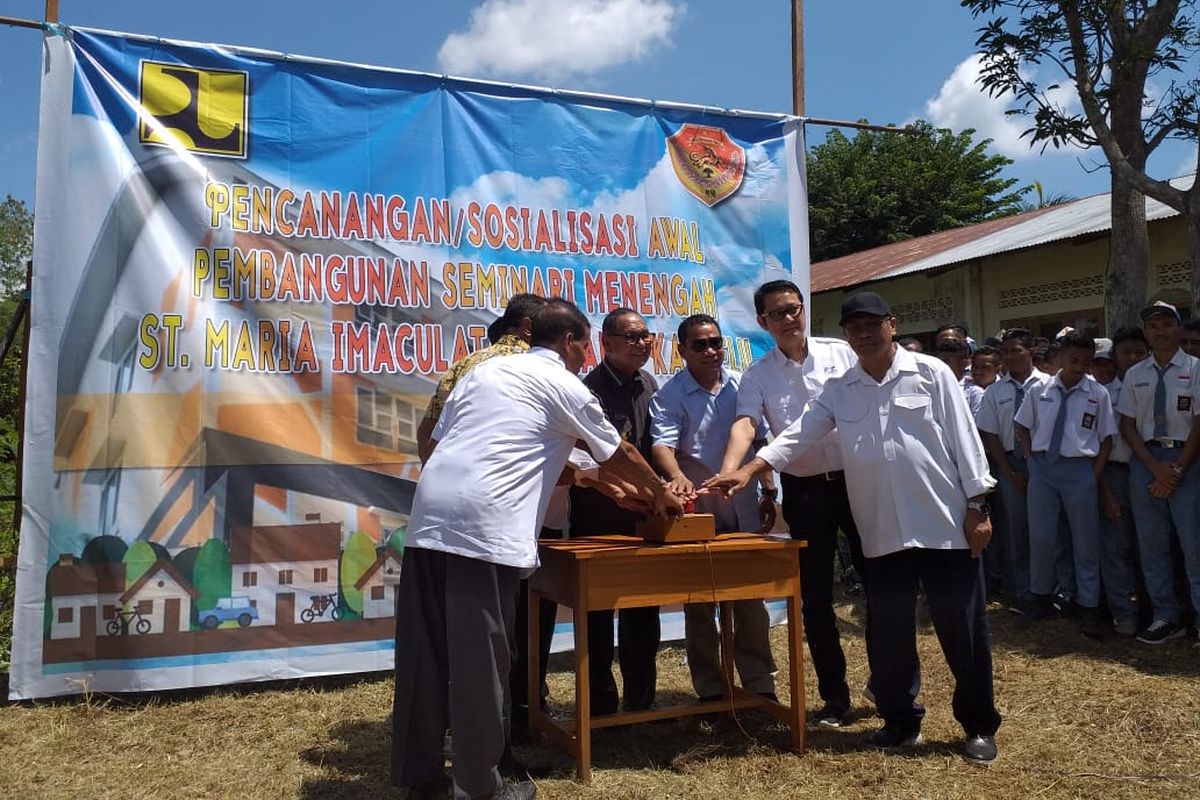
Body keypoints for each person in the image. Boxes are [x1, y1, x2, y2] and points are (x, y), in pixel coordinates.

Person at [391, 300, 683, 800]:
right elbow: (618, 451)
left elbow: (484, 443)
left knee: (425, 654)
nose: (584, 356)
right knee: (480, 660)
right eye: (585, 344)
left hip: (428, 520)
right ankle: (480, 787)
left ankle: (422, 776)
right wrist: (658, 492)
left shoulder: (485, 374)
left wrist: (609, 487)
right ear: (571, 342)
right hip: (484, 529)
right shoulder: (565, 382)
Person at [707, 291, 1001, 766]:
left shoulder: (932, 374)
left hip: (943, 523)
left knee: (962, 628)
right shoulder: (841, 388)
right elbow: (800, 432)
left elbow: (964, 439)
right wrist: (749, 469)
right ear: (847, 334)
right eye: (854, 328)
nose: (863, 335)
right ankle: (900, 721)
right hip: (880, 528)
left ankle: (978, 725)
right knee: (888, 631)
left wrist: (977, 505)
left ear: (892, 324)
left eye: (872, 325)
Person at [717, 279, 864, 728]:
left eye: (794, 309)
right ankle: (835, 698)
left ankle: (893, 685)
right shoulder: (757, 375)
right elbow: (746, 424)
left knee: (882, 586)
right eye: (777, 313)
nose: (788, 319)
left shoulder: (843, 353)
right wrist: (731, 469)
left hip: (861, 482)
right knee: (816, 600)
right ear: (763, 322)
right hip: (804, 492)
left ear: (805, 310)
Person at [650, 314, 777, 705]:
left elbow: (763, 439)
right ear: (682, 350)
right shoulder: (668, 394)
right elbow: (662, 445)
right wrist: (674, 477)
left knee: (750, 602)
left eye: (716, 342)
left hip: (745, 511)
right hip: (699, 512)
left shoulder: (744, 382)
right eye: (700, 345)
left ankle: (759, 685)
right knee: (700, 605)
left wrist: (769, 488)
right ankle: (711, 688)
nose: (711, 351)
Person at [568, 307, 664, 714]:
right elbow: (592, 458)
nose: (642, 344)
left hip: (645, 518)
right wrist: (628, 489)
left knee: (644, 610)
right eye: (631, 337)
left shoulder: (650, 384)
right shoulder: (587, 390)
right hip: (599, 516)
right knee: (597, 616)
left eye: (646, 336)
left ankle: (641, 701)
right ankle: (599, 704)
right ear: (605, 344)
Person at [1014, 332, 1115, 637]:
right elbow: (1022, 425)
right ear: (1059, 357)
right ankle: (1041, 597)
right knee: (1042, 537)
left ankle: (1088, 606)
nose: (1079, 367)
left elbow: (1106, 439)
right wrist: (1031, 457)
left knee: (1085, 540)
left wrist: (1093, 474)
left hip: (1079, 470)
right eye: (1073, 360)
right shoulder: (1040, 388)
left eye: (1086, 362)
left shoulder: (1097, 393)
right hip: (1044, 469)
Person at [1117, 301, 1200, 645]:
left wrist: (1177, 468)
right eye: (1154, 326)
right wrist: (1154, 467)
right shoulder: (1136, 374)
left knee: (1193, 542)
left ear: (1178, 329)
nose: (1161, 331)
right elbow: (1127, 424)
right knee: (1152, 544)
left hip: (1188, 459)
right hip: (1146, 461)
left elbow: (1199, 423)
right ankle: (1167, 616)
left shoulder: (1196, 369)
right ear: (1147, 333)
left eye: (1167, 324)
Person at [416, 293, 547, 464]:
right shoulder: (540, 368)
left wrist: (433, 469)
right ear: (528, 326)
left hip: (451, 474)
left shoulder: (463, 365)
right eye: (551, 326)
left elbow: (428, 428)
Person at [976, 328, 1049, 610]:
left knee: (1044, 530)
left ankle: (1049, 589)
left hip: (1043, 464)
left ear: (1030, 351)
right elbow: (991, 435)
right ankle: (1023, 592)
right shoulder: (995, 392)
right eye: (1005, 352)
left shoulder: (1047, 385)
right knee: (1015, 531)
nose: (1010, 357)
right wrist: (1008, 472)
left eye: (1016, 350)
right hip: (1010, 465)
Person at [1093, 329, 1150, 635]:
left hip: (1148, 472)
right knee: (1115, 548)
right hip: (1113, 475)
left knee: (1150, 547)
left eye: (1139, 352)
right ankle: (1124, 614)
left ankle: (1152, 610)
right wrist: (1105, 492)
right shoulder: (1103, 394)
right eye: (1125, 352)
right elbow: (1098, 446)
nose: (1132, 358)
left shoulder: (1152, 385)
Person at [936, 339, 984, 416]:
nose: (941, 364)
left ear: (963, 362)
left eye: (946, 360)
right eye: (939, 360)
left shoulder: (974, 392)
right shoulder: (933, 388)